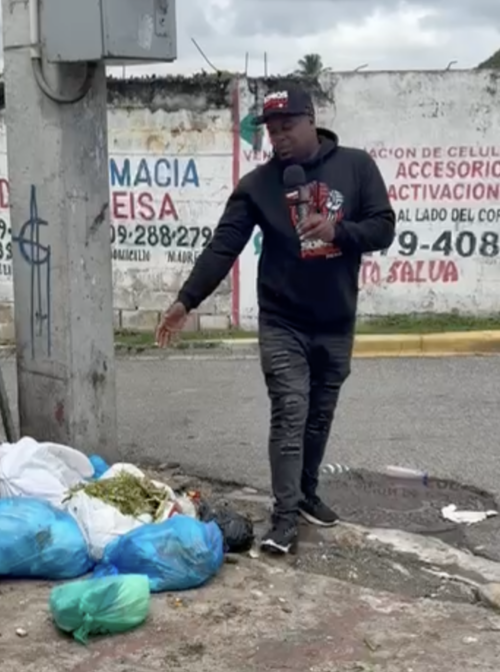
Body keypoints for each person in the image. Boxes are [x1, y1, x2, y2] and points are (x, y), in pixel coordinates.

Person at [155, 85, 396, 554]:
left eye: (288, 127)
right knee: (290, 410)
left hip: (336, 320)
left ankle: (305, 495)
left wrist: (338, 230)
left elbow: (384, 225)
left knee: (319, 415)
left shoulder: (356, 166)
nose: (279, 138)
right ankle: (283, 518)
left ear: (311, 119)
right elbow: (223, 246)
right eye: (272, 130)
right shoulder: (259, 186)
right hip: (283, 321)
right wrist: (186, 301)